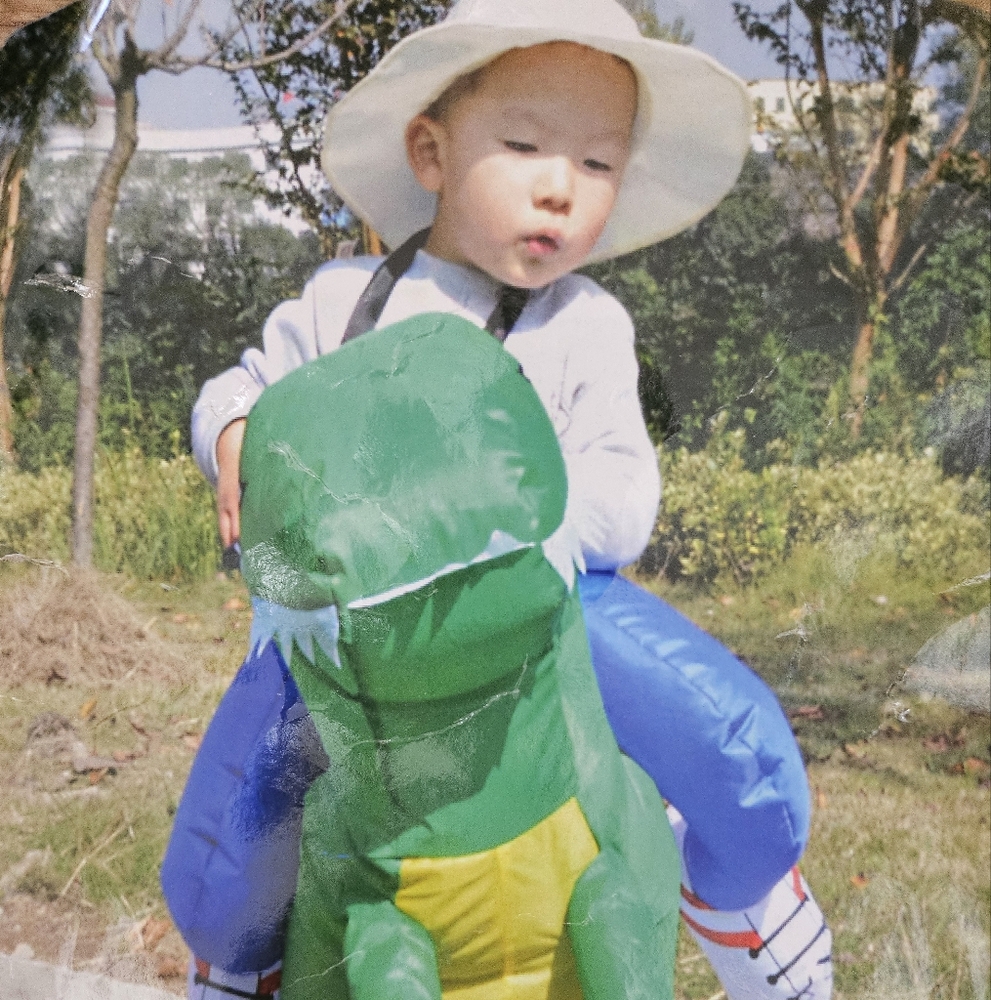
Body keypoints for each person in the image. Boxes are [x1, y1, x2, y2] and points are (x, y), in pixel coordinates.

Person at [170, 1, 833, 997]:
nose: (561, 189)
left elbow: (623, 493)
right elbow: (241, 391)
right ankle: (243, 956)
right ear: (431, 152)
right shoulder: (342, 302)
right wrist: (232, 436)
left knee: (721, 744)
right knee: (249, 832)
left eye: (599, 165)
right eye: (524, 145)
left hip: (528, 640)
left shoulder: (585, 327)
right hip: (350, 652)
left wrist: (530, 527)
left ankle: (734, 897)